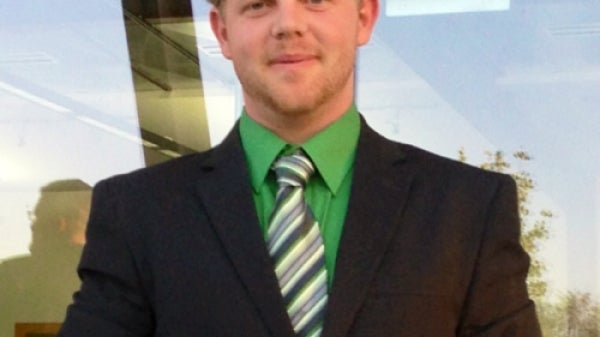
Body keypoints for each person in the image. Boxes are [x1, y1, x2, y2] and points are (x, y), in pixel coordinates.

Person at [58, 0, 542, 336]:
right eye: (257, 5)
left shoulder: (468, 210)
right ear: (222, 32)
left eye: (315, 1)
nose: (288, 25)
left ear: (364, 17)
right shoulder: (137, 212)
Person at [0, 179, 91, 337]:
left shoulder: (12, 276)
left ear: (60, 224)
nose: (32, 225)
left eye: (36, 217)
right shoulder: (113, 279)